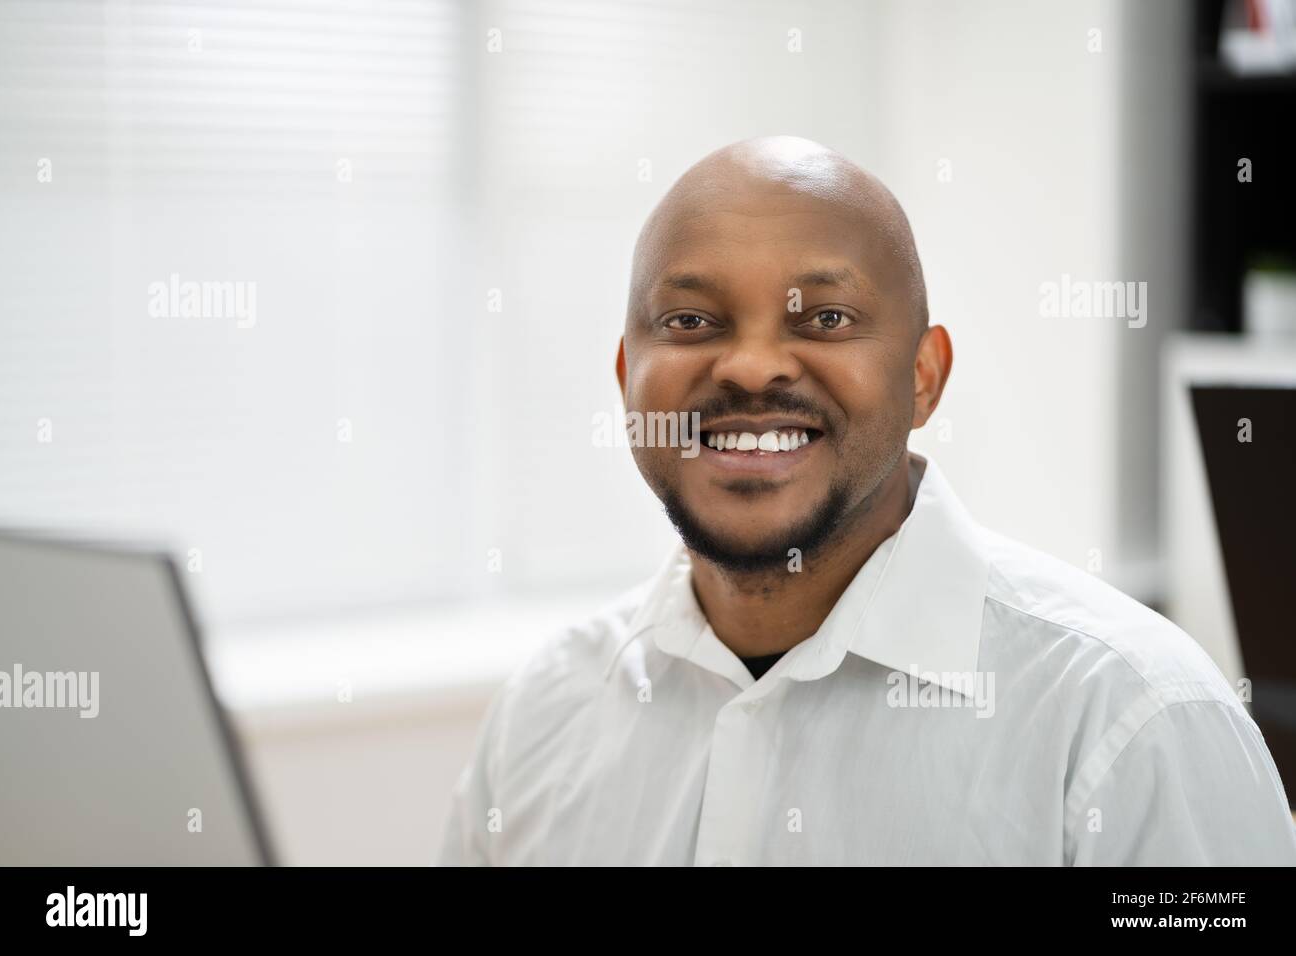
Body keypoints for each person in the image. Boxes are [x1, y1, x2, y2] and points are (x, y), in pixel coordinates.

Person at [438, 136, 1296, 865]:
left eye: (825, 319)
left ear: (924, 379)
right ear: (628, 378)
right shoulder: (543, 717)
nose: (749, 367)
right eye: (693, 322)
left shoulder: (1131, 722)